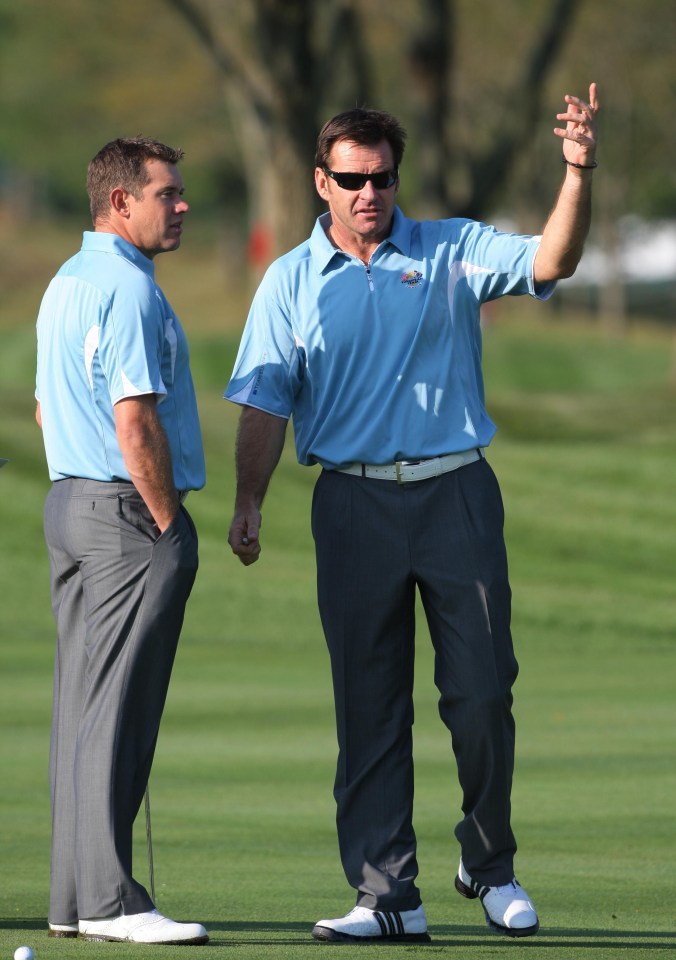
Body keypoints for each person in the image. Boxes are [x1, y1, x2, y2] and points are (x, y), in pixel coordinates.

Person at [225, 85, 599, 943]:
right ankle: (388, 895)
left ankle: (488, 862)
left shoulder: (452, 249)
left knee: (480, 694)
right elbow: (265, 401)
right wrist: (250, 500)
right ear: (322, 181)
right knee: (369, 705)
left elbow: (552, 261)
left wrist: (576, 172)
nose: (370, 195)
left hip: (455, 492)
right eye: (352, 179)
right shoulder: (288, 282)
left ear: (398, 178)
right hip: (351, 501)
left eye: (383, 179)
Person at [35, 137, 208, 945]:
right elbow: (134, 423)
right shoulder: (128, 289)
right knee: (118, 710)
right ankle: (112, 904)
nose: (180, 206)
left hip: (69, 501)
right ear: (119, 203)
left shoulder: (65, 282)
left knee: (82, 709)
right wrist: (169, 522)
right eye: (166, 194)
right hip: (124, 515)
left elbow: (45, 410)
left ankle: (75, 900)